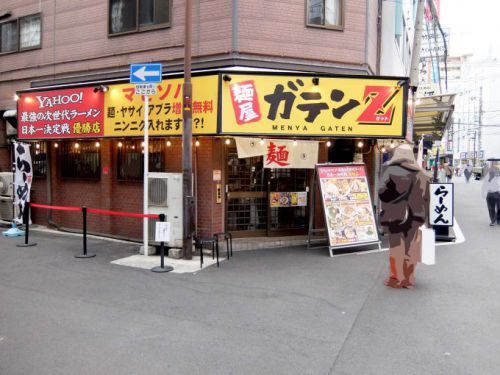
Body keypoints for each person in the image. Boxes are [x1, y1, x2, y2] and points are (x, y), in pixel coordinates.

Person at [378, 144, 431, 289]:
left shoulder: (390, 170)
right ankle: (409, 280)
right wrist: (428, 220)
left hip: (394, 214)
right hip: (416, 216)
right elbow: (427, 198)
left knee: (396, 246)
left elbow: (382, 192)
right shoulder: (422, 174)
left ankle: (396, 279)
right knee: (411, 246)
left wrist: (394, 198)